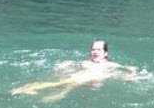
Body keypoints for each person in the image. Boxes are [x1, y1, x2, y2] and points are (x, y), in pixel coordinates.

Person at [11, 40, 141, 102]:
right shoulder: (86, 62)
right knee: (61, 83)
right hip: (80, 78)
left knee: (66, 85)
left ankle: (31, 89)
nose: (95, 52)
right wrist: (66, 65)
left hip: (88, 81)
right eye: (93, 49)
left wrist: (132, 71)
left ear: (105, 53)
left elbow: (127, 71)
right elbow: (75, 65)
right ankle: (26, 89)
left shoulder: (110, 65)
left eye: (98, 50)